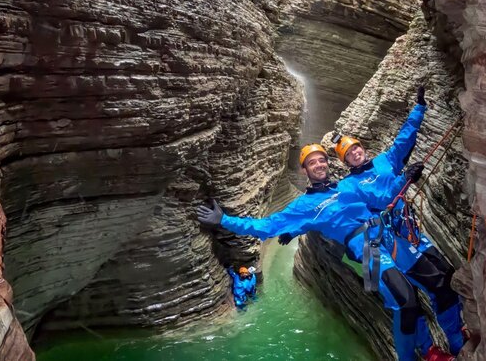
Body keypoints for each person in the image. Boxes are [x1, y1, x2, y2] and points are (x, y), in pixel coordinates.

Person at [197, 143, 451, 360]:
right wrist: (224, 220)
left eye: (322, 160)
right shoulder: (304, 206)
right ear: (304, 170)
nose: (319, 165)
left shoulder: (345, 186)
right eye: (312, 163)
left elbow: (382, 197)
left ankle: (434, 348)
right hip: (364, 248)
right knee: (404, 300)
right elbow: (266, 227)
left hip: (386, 234)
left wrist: (405, 178)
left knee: (432, 283)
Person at [332, 86, 465, 358]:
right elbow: (380, 198)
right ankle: (429, 350)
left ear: (363, 148)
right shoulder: (349, 185)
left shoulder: (384, 161)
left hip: (412, 235)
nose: (355, 153)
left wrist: (419, 109)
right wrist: (405, 179)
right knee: (414, 297)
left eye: (356, 147)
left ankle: (455, 335)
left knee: (447, 279)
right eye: (349, 153)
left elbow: (403, 141)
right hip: (391, 245)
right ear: (345, 162)